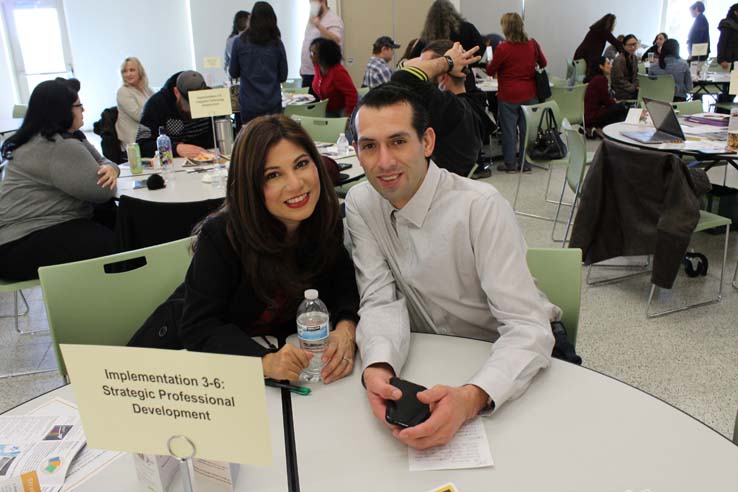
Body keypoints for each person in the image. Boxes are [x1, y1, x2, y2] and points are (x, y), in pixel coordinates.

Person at [345, 81, 557, 451]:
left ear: (427, 142)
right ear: (356, 152)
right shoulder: (362, 203)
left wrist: (472, 397)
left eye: (398, 141)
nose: (384, 162)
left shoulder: (479, 207)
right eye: (369, 146)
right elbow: (379, 298)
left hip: (509, 358)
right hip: (433, 356)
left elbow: (527, 327)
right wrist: (378, 364)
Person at [178, 115, 359, 383]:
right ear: (250, 186)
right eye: (273, 175)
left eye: (301, 164)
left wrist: (346, 328)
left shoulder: (321, 221)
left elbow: (343, 283)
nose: (296, 184)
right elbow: (199, 327)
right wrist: (264, 361)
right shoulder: (222, 236)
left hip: (296, 364)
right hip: (218, 375)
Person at [0, 78, 118, 281]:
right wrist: (108, 169)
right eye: (79, 105)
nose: (83, 110)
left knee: (113, 220)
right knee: (117, 246)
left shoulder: (50, 136)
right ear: (62, 110)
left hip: (16, 238)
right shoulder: (59, 145)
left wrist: (112, 168)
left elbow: (103, 162)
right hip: (20, 243)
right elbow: (102, 191)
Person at [390, 41, 483, 177]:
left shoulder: (449, 107)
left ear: (443, 76)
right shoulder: (470, 102)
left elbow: (401, 77)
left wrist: (447, 62)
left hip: (436, 193)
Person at [486, 12, 546, 173]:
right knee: (527, 131)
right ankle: (525, 163)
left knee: (509, 131)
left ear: (506, 28)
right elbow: (544, 62)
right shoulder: (532, 44)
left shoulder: (503, 48)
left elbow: (490, 70)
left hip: (509, 96)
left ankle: (510, 164)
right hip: (530, 94)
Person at [229, 1, 288, 126]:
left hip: (249, 105)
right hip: (273, 104)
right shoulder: (277, 44)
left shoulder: (239, 42)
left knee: (252, 141)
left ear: (251, 19)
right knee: (273, 140)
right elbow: (283, 76)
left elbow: (233, 73)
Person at [136, 70, 215, 159]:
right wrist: (175, 148)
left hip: (206, 158)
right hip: (172, 162)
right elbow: (142, 145)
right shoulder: (156, 104)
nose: (191, 110)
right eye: (188, 105)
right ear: (176, 92)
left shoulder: (211, 98)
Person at [409, 0, 485, 59]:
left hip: (437, 74)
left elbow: (413, 57)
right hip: (463, 71)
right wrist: (470, 62)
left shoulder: (429, 33)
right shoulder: (467, 28)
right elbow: (481, 46)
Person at [300, 0, 344, 89]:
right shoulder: (312, 19)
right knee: (308, 101)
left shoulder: (333, 19)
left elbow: (336, 39)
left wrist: (319, 26)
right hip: (307, 71)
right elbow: (307, 40)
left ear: (322, 1)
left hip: (323, 73)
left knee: (321, 101)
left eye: (313, 2)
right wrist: (302, 67)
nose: (311, 4)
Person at [312, 38, 358, 117]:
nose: (311, 56)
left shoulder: (338, 72)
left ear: (324, 55)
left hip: (343, 109)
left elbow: (352, 94)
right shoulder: (318, 67)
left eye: (314, 53)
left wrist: (347, 116)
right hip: (328, 109)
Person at [584, 57, 627, 137]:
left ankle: (597, 128)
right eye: (608, 63)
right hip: (593, 116)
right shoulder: (601, 79)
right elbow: (606, 101)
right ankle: (606, 130)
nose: (611, 66)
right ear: (601, 66)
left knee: (617, 107)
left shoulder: (595, 78)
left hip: (588, 115)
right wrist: (614, 102)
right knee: (621, 108)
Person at [115, 57, 153, 146]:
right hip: (134, 141)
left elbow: (158, 105)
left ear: (139, 71)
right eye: (125, 71)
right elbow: (140, 116)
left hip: (148, 135)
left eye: (132, 70)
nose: (128, 74)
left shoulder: (146, 89)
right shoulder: (123, 91)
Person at [573, 14, 623, 78]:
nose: (614, 27)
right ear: (610, 24)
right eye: (614, 25)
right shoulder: (604, 31)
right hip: (585, 58)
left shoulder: (595, 29)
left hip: (580, 55)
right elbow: (615, 42)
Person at [610, 34, 639, 100]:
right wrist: (634, 88)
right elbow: (619, 80)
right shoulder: (619, 60)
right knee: (642, 95)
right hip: (620, 91)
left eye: (634, 44)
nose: (633, 47)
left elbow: (635, 76)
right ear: (624, 46)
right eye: (630, 45)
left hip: (630, 88)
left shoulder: (634, 57)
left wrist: (635, 85)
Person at [224, 10, 250, 75]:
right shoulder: (239, 40)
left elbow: (226, 64)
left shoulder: (230, 39)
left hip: (235, 78)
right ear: (246, 23)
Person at [717, 4, 738, 70]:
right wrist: (721, 59)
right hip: (730, 60)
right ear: (736, 12)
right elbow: (722, 43)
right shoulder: (728, 25)